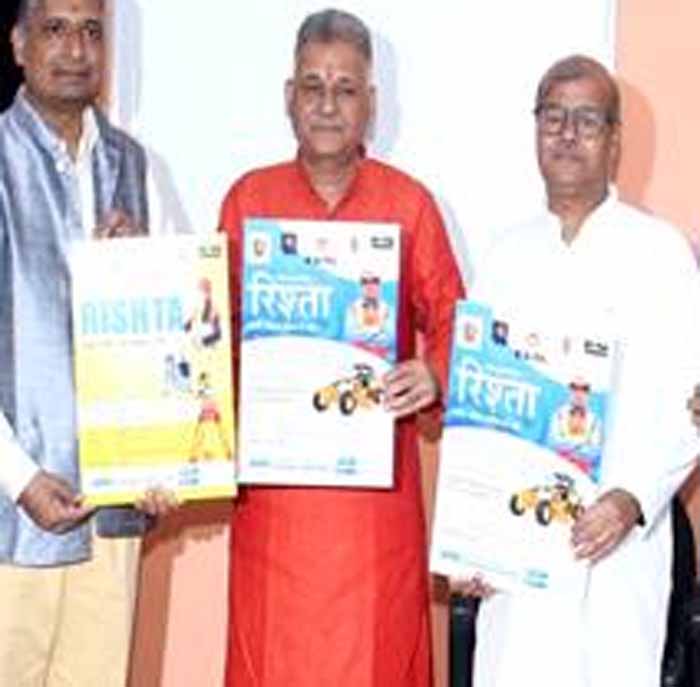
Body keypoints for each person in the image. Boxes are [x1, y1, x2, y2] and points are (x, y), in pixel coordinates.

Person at [219, 9, 463, 686]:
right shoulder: (248, 200)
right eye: (313, 86)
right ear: (288, 96)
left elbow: (455, 324)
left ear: (371, 104)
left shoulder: (409, 205)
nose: (328, 104)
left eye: (346, 88)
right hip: (275, 507)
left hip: (374, 518)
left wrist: (434, 373)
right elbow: (212, 332)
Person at [456, 55, 700, 687]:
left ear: (615, 141)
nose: (567, 134)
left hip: (618, 552)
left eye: (587, 120)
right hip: (518, 560)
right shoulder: (503, 256)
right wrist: (470, 537)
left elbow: (693, 405)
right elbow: (476, 408)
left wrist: (632, 499)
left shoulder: (662, 254)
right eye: (553, 117)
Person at [0, 1, 173, 685]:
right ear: (19, 44)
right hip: (11, 508)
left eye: (91, 31)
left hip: (111, 512)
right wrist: (19, 479)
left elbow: (180, 328)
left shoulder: (137, 167)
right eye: (55, 29)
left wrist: (166, 461)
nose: (75, 49)